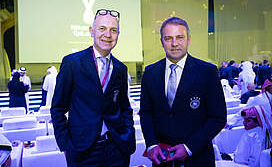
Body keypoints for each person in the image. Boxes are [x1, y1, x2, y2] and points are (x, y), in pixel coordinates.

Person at [51, 9, 136, 166]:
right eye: (102, 28)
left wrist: (128, 134)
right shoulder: (73, 63)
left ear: (118, 34)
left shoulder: (120, 68)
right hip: (82, 151)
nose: (108, 34)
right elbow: (57, 108)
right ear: (91, 31)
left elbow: (125, 107)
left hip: (116, 148)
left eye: (113, 30)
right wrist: (66, 145)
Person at [139, 17, 227, 166]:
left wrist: (189, 147)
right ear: (162, 41)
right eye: (168, 38)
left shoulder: (207, 72)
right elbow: (146, 113)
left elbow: (217, 118)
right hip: (162, 160)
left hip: (198, 158)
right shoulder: (150, 72)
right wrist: (152, 144)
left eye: (180, 37)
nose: (174, 44)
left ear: (189, 39)